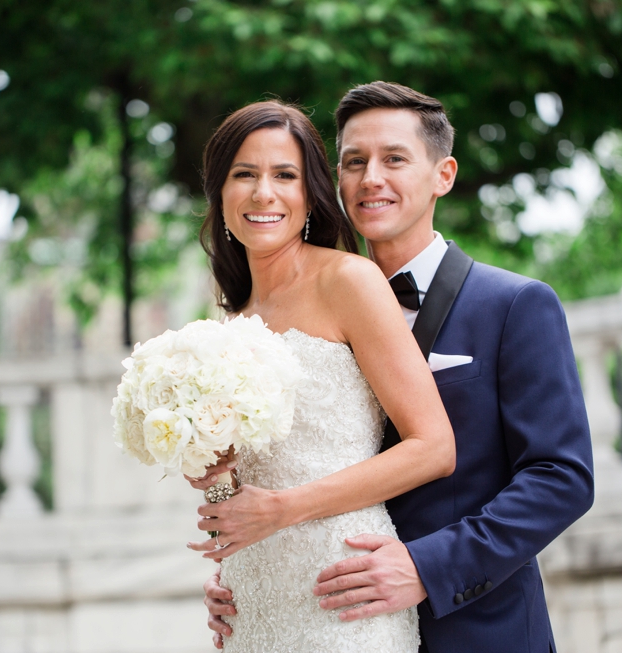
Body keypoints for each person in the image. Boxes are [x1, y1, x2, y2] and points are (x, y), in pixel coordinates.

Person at [199, 82, 595, 652]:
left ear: (444, 174)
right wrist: (246, 575)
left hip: (476, 627)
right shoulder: (298, 302)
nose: (370, 179)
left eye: (395, 160)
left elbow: (561, 480)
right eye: (353, 162)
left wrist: (427, 567)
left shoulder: (514, 305)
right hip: (320, 612)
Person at [185, 99, 457, 651]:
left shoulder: (350, 282)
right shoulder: (229, 324)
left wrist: (282, 510)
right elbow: (245, 493)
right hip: (253, 604)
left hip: (347, 591)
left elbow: (434, 447)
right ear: (220, 193)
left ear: (310, 192)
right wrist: (216, 476)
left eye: (284, 175)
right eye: (244, 174)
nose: (264, 193)